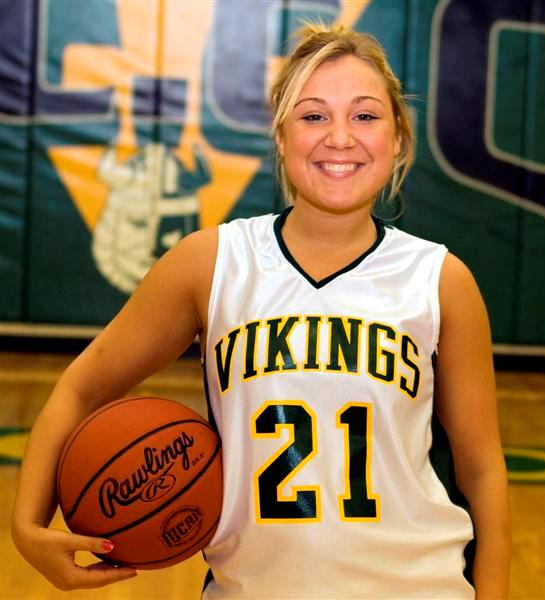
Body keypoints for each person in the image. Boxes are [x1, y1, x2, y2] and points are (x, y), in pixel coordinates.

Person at [12, 23, 510, 599]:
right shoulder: (212, 263)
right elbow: (82, 388)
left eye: (365, 115)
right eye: (314, 115)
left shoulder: (440, 279)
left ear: (397, 137)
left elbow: (481, 468)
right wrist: (26, 526)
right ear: (281, 135)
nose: (340, 137)